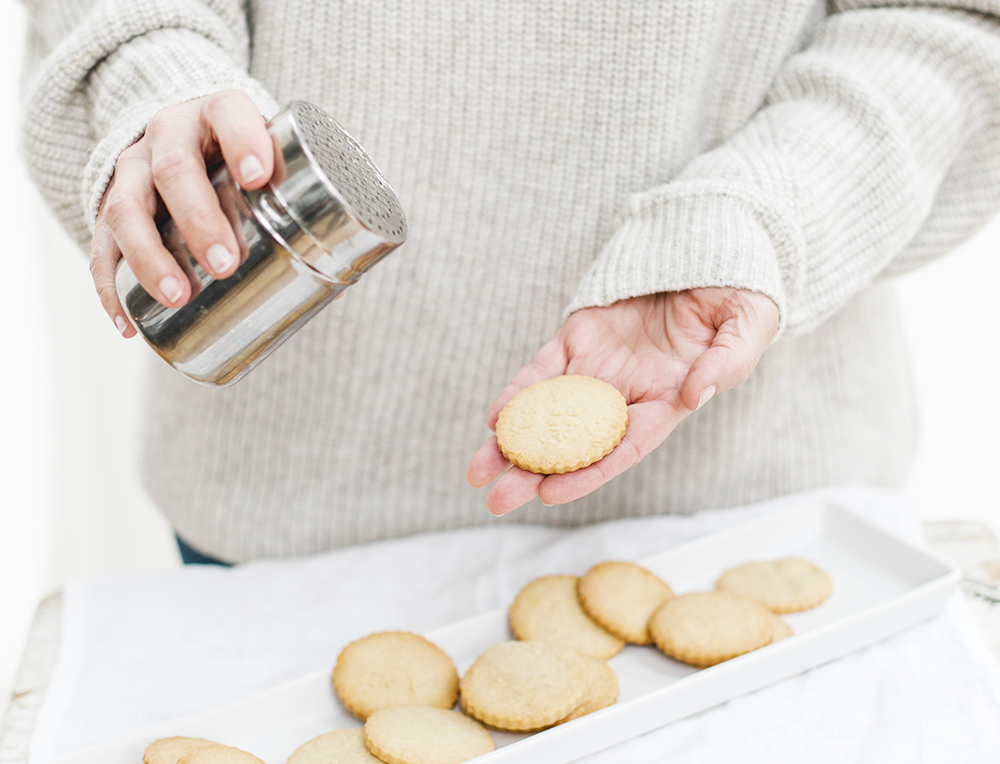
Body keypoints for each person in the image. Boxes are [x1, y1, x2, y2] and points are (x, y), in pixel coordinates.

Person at [20, 0, 1000, 564]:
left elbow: (944, 21)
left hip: (750, 502)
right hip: (282, 502)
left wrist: (754, 223)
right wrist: (153, 66)